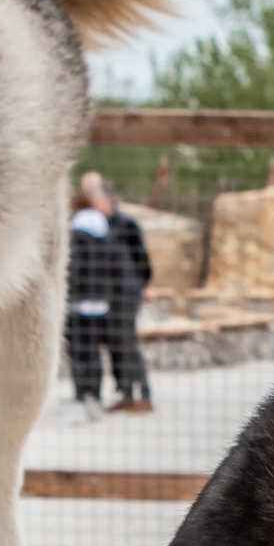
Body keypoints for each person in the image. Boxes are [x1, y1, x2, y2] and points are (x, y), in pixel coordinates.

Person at [65, 172, 154, 416]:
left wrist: (143, 285)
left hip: (125, 292)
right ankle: (125, 393)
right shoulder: (97, 225)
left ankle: (143, 395)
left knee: (127, 344)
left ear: (108, 199)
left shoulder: (125, 224)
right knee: (116, 343)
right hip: (108, 295)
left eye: (94, 195)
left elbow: (141, 259)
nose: (91, 201)